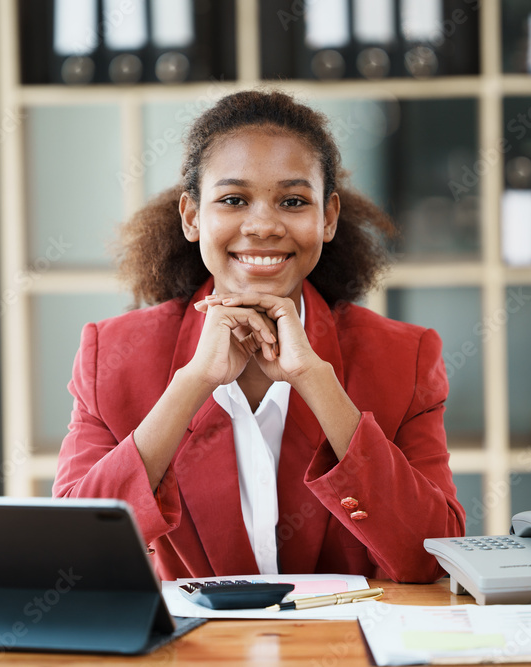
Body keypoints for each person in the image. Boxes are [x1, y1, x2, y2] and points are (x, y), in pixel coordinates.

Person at [53, 90, 465, 582]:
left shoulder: (406, 357)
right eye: (233, 200)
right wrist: (192, 384)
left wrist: (317, 383)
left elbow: (431, 558)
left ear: (327, 217)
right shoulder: (113, 357)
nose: (264, 225)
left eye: (293, 201)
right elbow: (73, 555)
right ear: (192, 217)